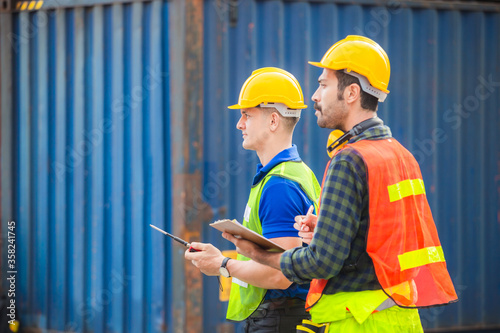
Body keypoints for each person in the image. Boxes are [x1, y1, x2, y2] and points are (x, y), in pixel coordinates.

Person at [222, 36, 458, 332]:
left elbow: (321, 264)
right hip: (399, 319)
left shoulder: (350, 160)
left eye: (323, 84)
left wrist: (258, 254)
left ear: (351, 92)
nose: (315, 97)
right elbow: (380, 237)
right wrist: (326, 227)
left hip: (357, 321)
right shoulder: (401, 154)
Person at [185, 67, 321, 332]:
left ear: (273, 121)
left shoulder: (280, 184)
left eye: (247, 114)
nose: (239, 124)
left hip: (279, 319)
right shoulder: (294, 173)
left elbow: (280, 274)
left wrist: (221, 265)